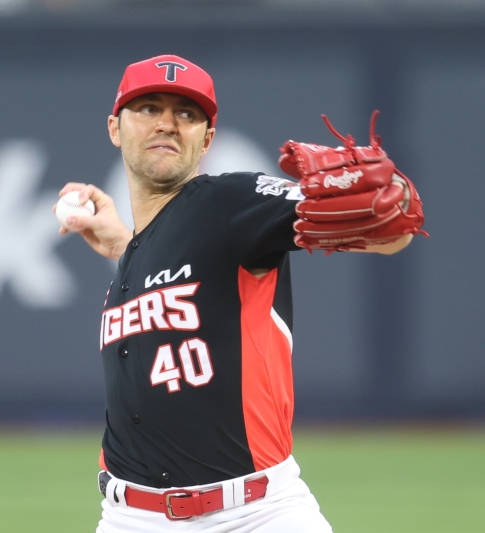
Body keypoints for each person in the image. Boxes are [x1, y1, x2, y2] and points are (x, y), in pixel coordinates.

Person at [55, 54, 423, 533]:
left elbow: (391, 229)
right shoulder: (135, 257)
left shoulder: (229, 203)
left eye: (186, 113)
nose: (167, 123)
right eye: (148, 108)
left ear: (207, 140)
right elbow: (183, 272)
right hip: (128, 517)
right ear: (114, 128)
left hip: (253, 514)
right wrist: (125, 246)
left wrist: (392, 195)